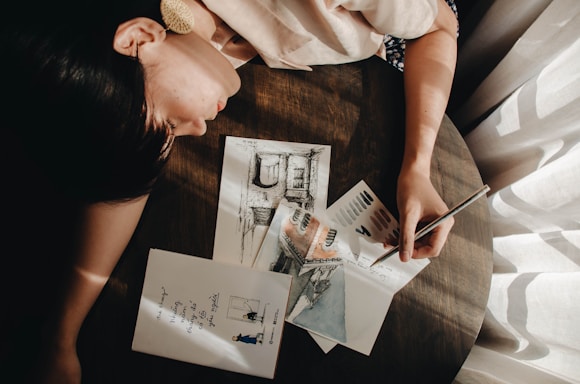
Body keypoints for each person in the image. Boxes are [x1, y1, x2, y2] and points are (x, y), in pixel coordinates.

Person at [2, 0, 458, 383]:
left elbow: (440, 26)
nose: (197, 130)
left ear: (139, 37)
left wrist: (417, 168)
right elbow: (128, 179)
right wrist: (61, 337)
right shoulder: (164, 51)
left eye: (170, 124)